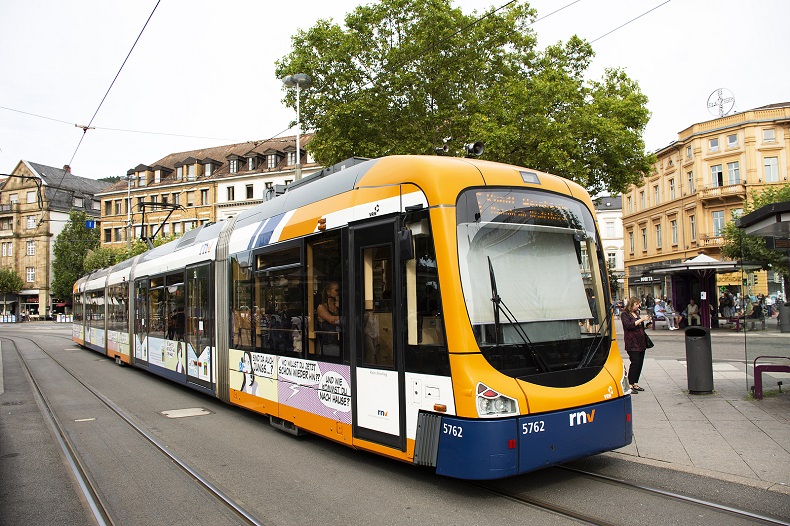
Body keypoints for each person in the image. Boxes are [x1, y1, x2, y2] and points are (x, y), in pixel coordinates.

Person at [621, 297, 650, 393]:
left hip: (641, 342)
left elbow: (638, 327)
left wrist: (645, 326)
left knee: (640, 363)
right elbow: (629, 325)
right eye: (637, 304)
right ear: (631, 304)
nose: (638, 306)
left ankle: (635, 383)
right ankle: (630, 384)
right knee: (635, 362)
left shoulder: (636, 313)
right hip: (632, 342)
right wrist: (641, 320)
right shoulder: (625, 314)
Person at [316, 281, 341, 356]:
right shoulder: (322, 307)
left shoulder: (338, 306)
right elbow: (331, 320)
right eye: (336, 290)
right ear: (328, 292)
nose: (338, 293)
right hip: (328, 344)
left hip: (340, 341)